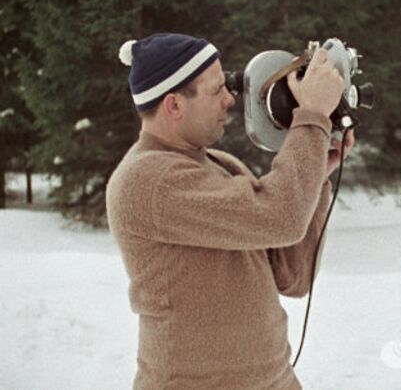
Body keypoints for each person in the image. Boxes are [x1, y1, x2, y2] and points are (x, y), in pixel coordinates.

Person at [106, 33, 355, 389]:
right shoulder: (149, 179)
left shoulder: (219, 165)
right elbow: (280, 216)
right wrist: (311, 115)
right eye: (217, 90)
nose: (229, 100)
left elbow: (293, 276)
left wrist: (319, 174)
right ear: (174, 105)